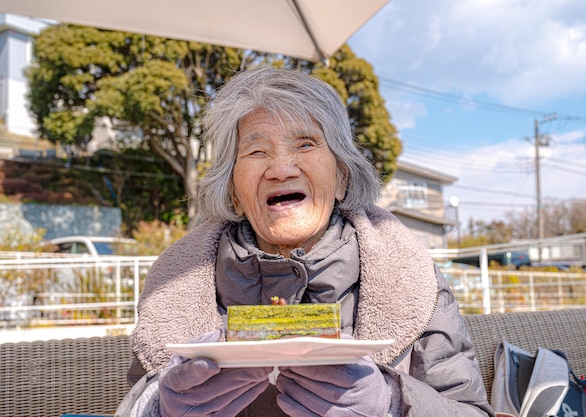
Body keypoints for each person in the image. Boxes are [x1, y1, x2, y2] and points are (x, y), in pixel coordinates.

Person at [116, 66, 495, 417]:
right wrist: (160, 408)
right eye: (256, 151)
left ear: (342, 176)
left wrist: (394, 402)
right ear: (232, 191)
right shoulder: (174, 287)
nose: (281, 169)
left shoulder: (409, 275)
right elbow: (134, 402)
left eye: (306, 144)